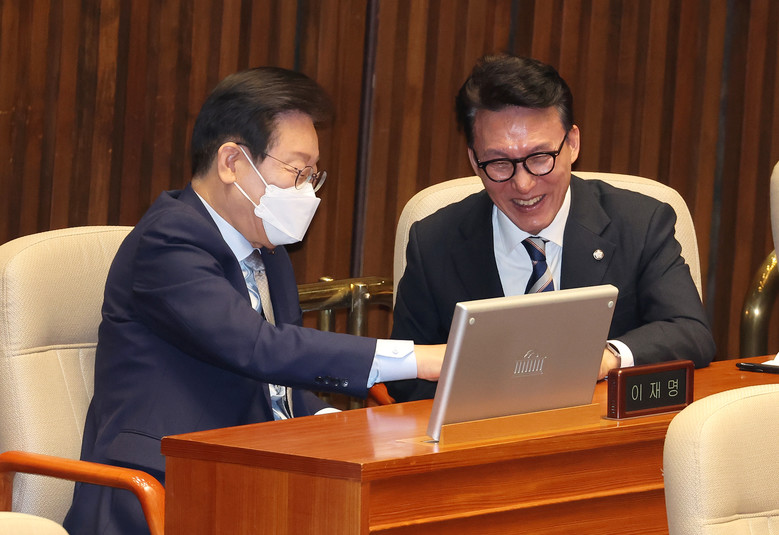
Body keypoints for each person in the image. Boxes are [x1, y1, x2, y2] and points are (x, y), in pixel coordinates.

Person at [63, 67, 444, 535]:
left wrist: (333, 425)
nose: (307, 192)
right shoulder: (167, 241)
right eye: (296, 171)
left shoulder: (264, 247)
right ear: (231, 162)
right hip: (160, 490)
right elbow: (259, 348)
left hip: (249, 477)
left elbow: (278, 385)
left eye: (313, 175)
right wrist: (417, 359)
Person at [387, 54, 715, 402]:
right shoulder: (434, 242)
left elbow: (689, 332)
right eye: (499, 163)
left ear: (572, 143)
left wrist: (607, 357)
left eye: (540, 158)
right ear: (474, 159)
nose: (524, 184)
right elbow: (405, 380)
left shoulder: (639, 222)